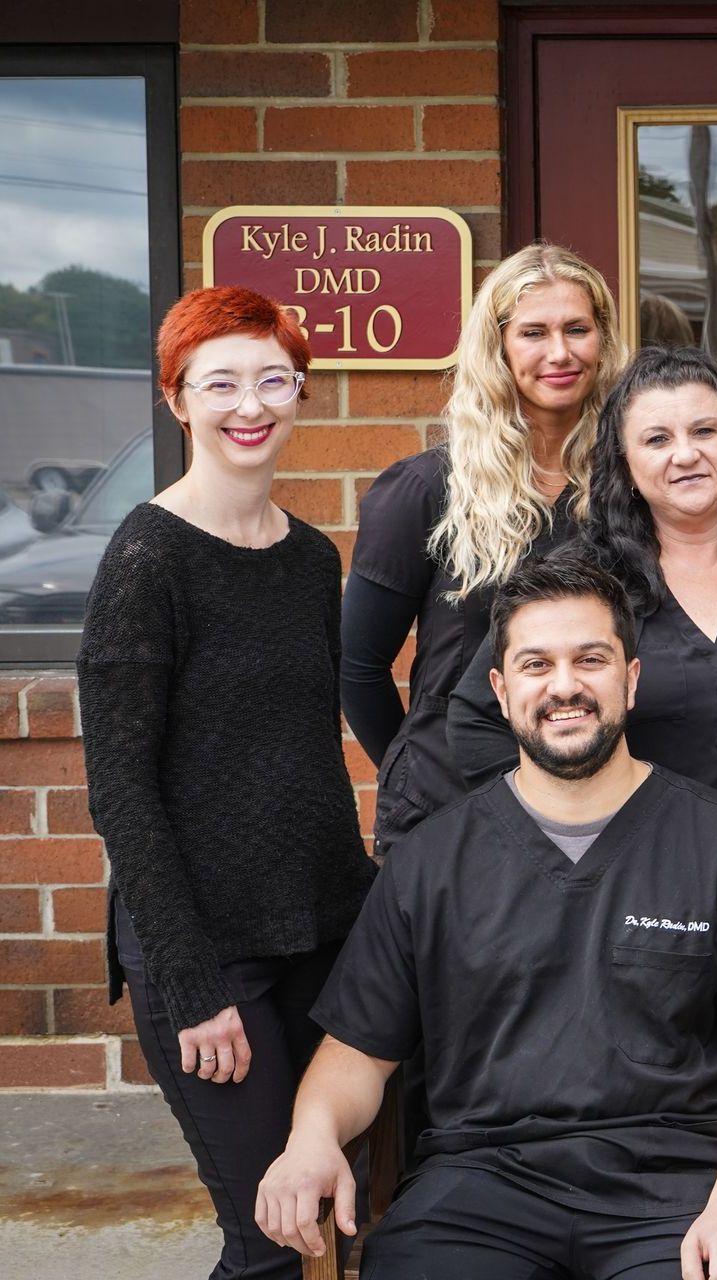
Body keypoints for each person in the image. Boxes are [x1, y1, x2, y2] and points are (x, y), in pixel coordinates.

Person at [256, 549, 717, 1279]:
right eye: (536, 664)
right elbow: (357, 1052)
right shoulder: (431, 862)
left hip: (675, 1196)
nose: (565, 687)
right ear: (500, 687)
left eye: (590, 659)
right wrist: (312, 1136)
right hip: (478, 1194)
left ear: (631, 679)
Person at [78, 286, 376, 1280]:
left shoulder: (308, 560)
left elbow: (301, 755)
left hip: (319, 935)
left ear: (298, 393)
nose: (250, 404)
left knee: (339, 1215)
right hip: (209, 960)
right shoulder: (148, 557)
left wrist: (370, 921)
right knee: (272, 1241)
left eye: (273, 380)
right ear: (179, 399)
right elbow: (121, 789)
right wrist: (191, 982)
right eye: (221, 382)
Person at [450, 345, 717, 836]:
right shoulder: (576, 588)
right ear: (625, 463)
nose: (686, 454)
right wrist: (562, 839)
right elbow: (476, 725)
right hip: (633, 885)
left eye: (705, 431)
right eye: (657, 439)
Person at [342, 242, 625, 851]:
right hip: (449, 811)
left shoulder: (626, 489)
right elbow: (357, 666)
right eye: (533, 332)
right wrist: (416, 763)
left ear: (602, 342)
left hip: (595, 806)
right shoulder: (425, 490)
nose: (559, 352)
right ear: (497, 346)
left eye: (577, 329)